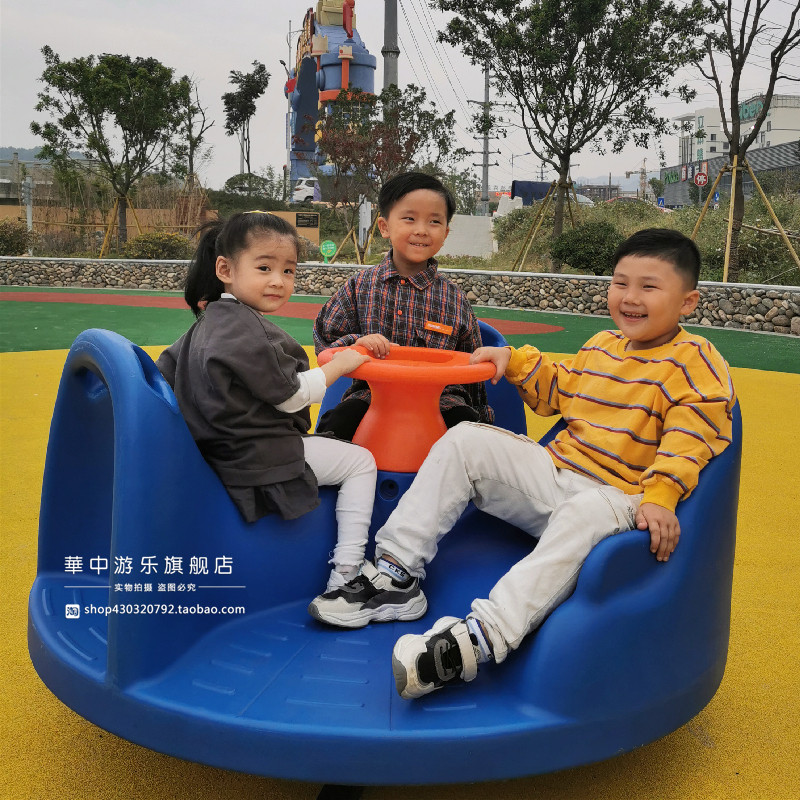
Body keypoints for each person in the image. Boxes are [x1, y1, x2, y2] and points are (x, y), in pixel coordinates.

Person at [309, 228, 737, 700]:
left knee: (587, 509)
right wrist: (511, 360)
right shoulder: (603, 345)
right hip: (557, 477)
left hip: (620, 498)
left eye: (649, 287)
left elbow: (692, 433)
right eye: (621, 283)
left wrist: (662, 495)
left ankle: (479, 638)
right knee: (467, 439)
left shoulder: (694, 360)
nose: (630, 298)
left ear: (687, 302)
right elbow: (559, 388)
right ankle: (397, 574)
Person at [157, 211, 377, 599]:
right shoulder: (248, 329)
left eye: (288, 271)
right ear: (225, 269)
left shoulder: (208, 323)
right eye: (264, 268)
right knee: (361, 462)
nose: (278, 280)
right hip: (257, 457)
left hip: (218, 451)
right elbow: (292, 395)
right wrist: (341, 365)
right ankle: (348, 571)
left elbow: (165, 371)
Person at [313, 171, 493, 441]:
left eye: (434, 221)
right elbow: (324, 341)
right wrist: (358, 343)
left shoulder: (454, 299)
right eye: (409, 218)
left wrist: (481, 417)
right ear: (385, 226)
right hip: (372, 396)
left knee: (473, 437)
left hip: (442, 400)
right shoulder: (360, 287)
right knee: (336, 427)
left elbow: (472, 363)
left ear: (445, 233)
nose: (421, 230)